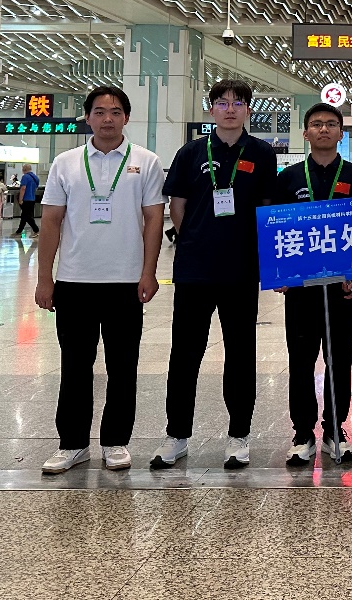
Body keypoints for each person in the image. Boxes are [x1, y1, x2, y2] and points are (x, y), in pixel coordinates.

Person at [35, 86, 165, 474]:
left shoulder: (146, 161)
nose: (107, 118)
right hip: (75, 281)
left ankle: (115, 441)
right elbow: (51, 221)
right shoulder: (66, 163)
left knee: (123, 366)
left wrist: (148, 272)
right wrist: (45, 278)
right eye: (99, 111)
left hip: (126, 282)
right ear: (88, 117)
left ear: (126, 117)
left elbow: (154, 219)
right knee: (75, 365)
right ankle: (72, 443)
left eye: (115, 112)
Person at [153, 80, 278, 471]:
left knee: (240, 353)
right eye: (222, 103)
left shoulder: (261, 153)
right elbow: (177, 204)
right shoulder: (190, 152)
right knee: (185, 353)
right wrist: (194, 239)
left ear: (248, 109)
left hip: (242, 269)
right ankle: (177, 435)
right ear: (211, 109)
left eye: (238, 103)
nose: (230, 109)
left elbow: (267, 207)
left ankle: (239, 435)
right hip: (195, 270)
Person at [273, 102, 352, 465]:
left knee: (339, 360)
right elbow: (277, 228)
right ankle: (302, 433)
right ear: (306, 133)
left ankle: (334, 429)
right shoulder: (290, 177)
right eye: (317, 124)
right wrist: (281, 272)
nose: (324, 129)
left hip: (342, 288)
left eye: (331, 124)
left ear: (341, 133)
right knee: (300, 360)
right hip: (301, 289)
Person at [15, 164, 41, 238]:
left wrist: (20, 199)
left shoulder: (25, 177)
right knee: (24, 215)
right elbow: (36, 188)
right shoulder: (35, 177)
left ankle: (36, 230)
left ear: (24, 169)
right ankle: (19, 231)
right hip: (32, 198)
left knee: (27, 216)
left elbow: (23, 188)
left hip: (26, 199)